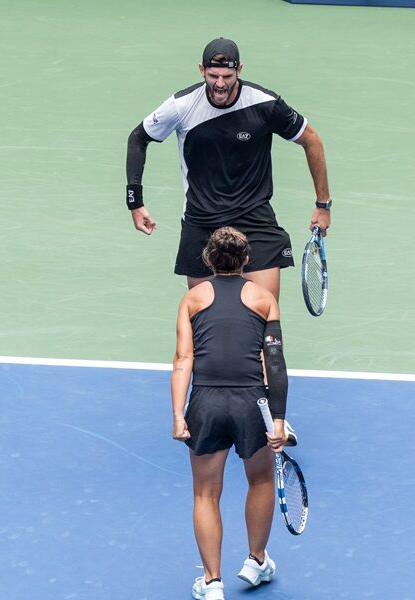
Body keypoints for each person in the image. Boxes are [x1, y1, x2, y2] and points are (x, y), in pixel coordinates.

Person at [125, 37, 332, 300]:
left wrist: (323, 205)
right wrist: (135, 202)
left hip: (254, 219)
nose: (220, 84)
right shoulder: (182, 106)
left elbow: (312, 140)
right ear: (201, 70)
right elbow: (138, 138)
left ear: (239, 70)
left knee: (264, 311)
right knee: (204, 318)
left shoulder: (265, 104)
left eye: (227, 76)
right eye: (213, 76)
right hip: (202, 221)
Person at [171, 227, 291, 600]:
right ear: (247, 260)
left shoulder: (192, 299)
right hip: (252, 405)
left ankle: (212, 583)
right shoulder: (263, 299)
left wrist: (178, 414)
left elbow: (183, 359)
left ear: (208, 259)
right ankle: (256, 561)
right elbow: (275, 362)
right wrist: (278, 418)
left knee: (205, 494)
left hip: (205, 405)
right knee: (261, 481)